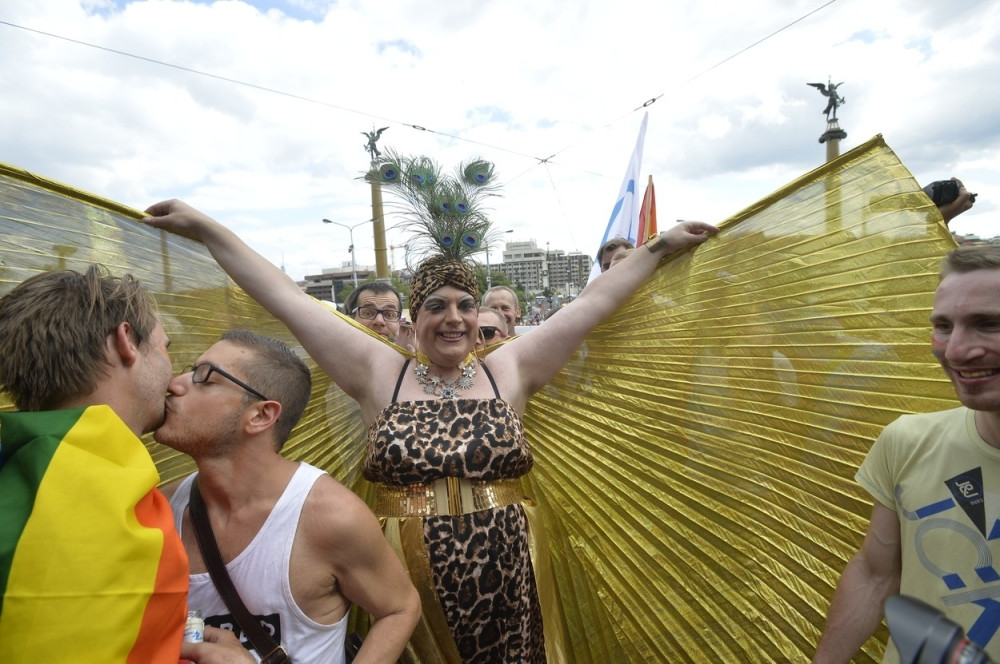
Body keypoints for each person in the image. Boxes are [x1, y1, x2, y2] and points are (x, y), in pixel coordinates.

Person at [143, 199, 717, 663]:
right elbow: (289, 300)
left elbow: (594, 302)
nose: (455, 317)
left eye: (466, 305)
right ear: (414, 319)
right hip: (409, 570)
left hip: (511, 562)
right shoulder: (378, 373)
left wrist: (661, 246)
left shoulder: (509, 368)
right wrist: (210, 230)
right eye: (437, 305)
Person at [0, 265, 250, 664]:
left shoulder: (32, 471)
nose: (174, 380)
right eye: (166, 348)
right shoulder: (97, 508)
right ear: (126, 341)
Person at [158, 329, 420, 663]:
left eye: (205, 378)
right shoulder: (160, 509)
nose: (176, 384)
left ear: (261, 415)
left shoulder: (328, 515)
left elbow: (399, 607)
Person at [813, 244, 1000, 663]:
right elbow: (876, 573)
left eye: (988, 324)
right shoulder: (907, 440)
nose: (955, 351)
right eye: (944, 326)